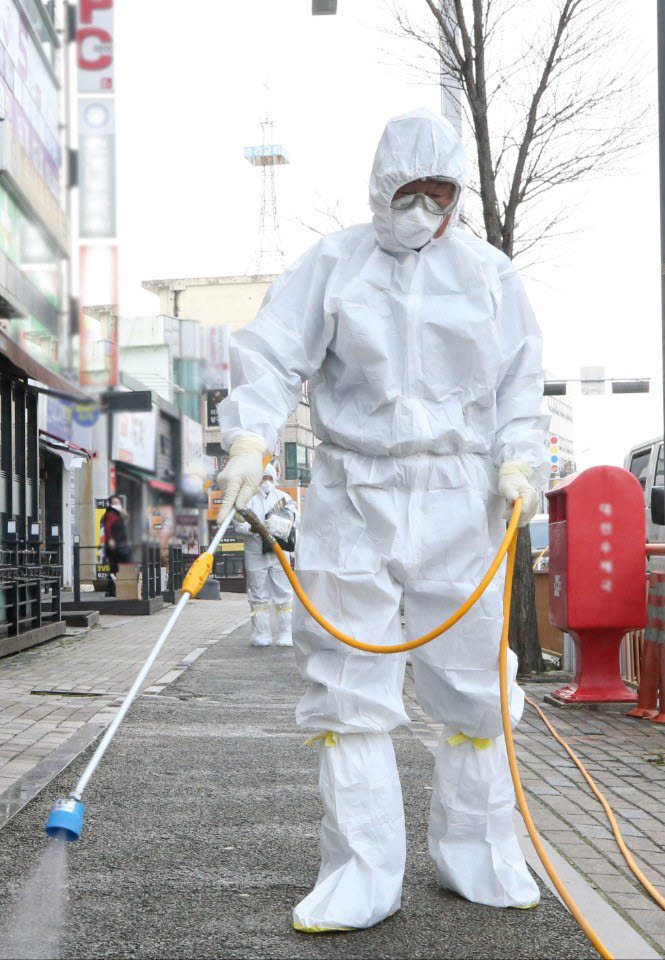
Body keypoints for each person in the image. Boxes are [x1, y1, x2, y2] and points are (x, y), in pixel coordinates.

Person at [216, 108, 548, 933]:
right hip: (352, 491)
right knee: (346, 683)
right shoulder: (333, 265)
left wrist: (518, 460)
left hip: (459, 494)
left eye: (441, 192)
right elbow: (270, 352)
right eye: (411, 190)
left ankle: (479, 854)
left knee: (474, 684)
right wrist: (249, 438)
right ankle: (359, 873)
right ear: (381, 186)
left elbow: (519, 382)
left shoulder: (488, 274)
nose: (425, 207)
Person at [231, 461, 298, 647]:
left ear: (275, 478)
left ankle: (285, 634)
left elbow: (296, 521)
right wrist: (255, 529)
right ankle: (261, 634)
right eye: (263, 478)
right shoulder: (247, 499)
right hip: (255, 553)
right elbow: (238, 525)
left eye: (269, 478)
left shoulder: (285, 498)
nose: (266, 482)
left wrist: (280, 525)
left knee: (284, 594)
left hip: (280, 553)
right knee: (258, 595)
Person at [101, 495, 130, 597]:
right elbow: (108, 528)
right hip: (113, 546)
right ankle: (111, 590)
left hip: (121, 544)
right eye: (115, 502)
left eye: (118, 502)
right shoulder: (110, 514)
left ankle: (116, 590)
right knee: (114, 568)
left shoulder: (119, 513)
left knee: (118, 568)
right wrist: (111, 540)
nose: (117, 504)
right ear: (110, 504)